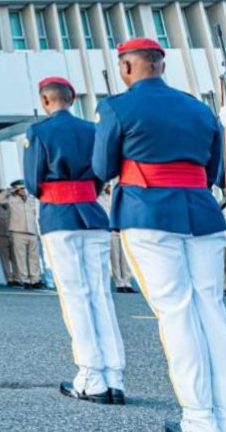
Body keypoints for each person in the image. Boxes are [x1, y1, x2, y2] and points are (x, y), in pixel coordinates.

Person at [94, 38, 226, 432]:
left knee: (176, 315)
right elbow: (217, 169)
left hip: (148, 212)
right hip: (202, 215)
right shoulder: (200, 109)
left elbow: (102, 166)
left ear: (127, 68)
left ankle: (201, 418)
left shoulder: (115, 107)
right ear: (161, 65)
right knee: (212, 313)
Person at [25, 75, 126, 406]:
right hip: (92, 215)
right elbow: (101, 173)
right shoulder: (92, 129)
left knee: (75, 298)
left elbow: (32, 182)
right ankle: (114, 377)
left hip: (60, 217)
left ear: (45, 101)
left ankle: (91, 377)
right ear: (72, 98)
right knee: (100, 295)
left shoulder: (38, 132)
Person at [0, 179, 43, 289]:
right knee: (21, 257)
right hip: (18, 232)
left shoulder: (31, 199)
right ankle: (25, 280)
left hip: (32, 231)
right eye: (20, 188)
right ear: (16, 189)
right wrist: (8, 191)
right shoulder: (11, 199)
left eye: (24, 188)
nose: (23, 190)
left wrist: (38, 232)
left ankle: (35, 279)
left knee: (34, 257)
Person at [96, 185, 135, 293]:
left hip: (122, 217)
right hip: (108, 217)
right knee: (114, 253)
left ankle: (127, 281)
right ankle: (119, 281)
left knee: (125, 254)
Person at [0, 188, 19, 286]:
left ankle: (17, 277)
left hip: (13, 233)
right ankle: (8, 278)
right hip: (1, 234)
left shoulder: (11, 204)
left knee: (16, 258)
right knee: (5, 258)